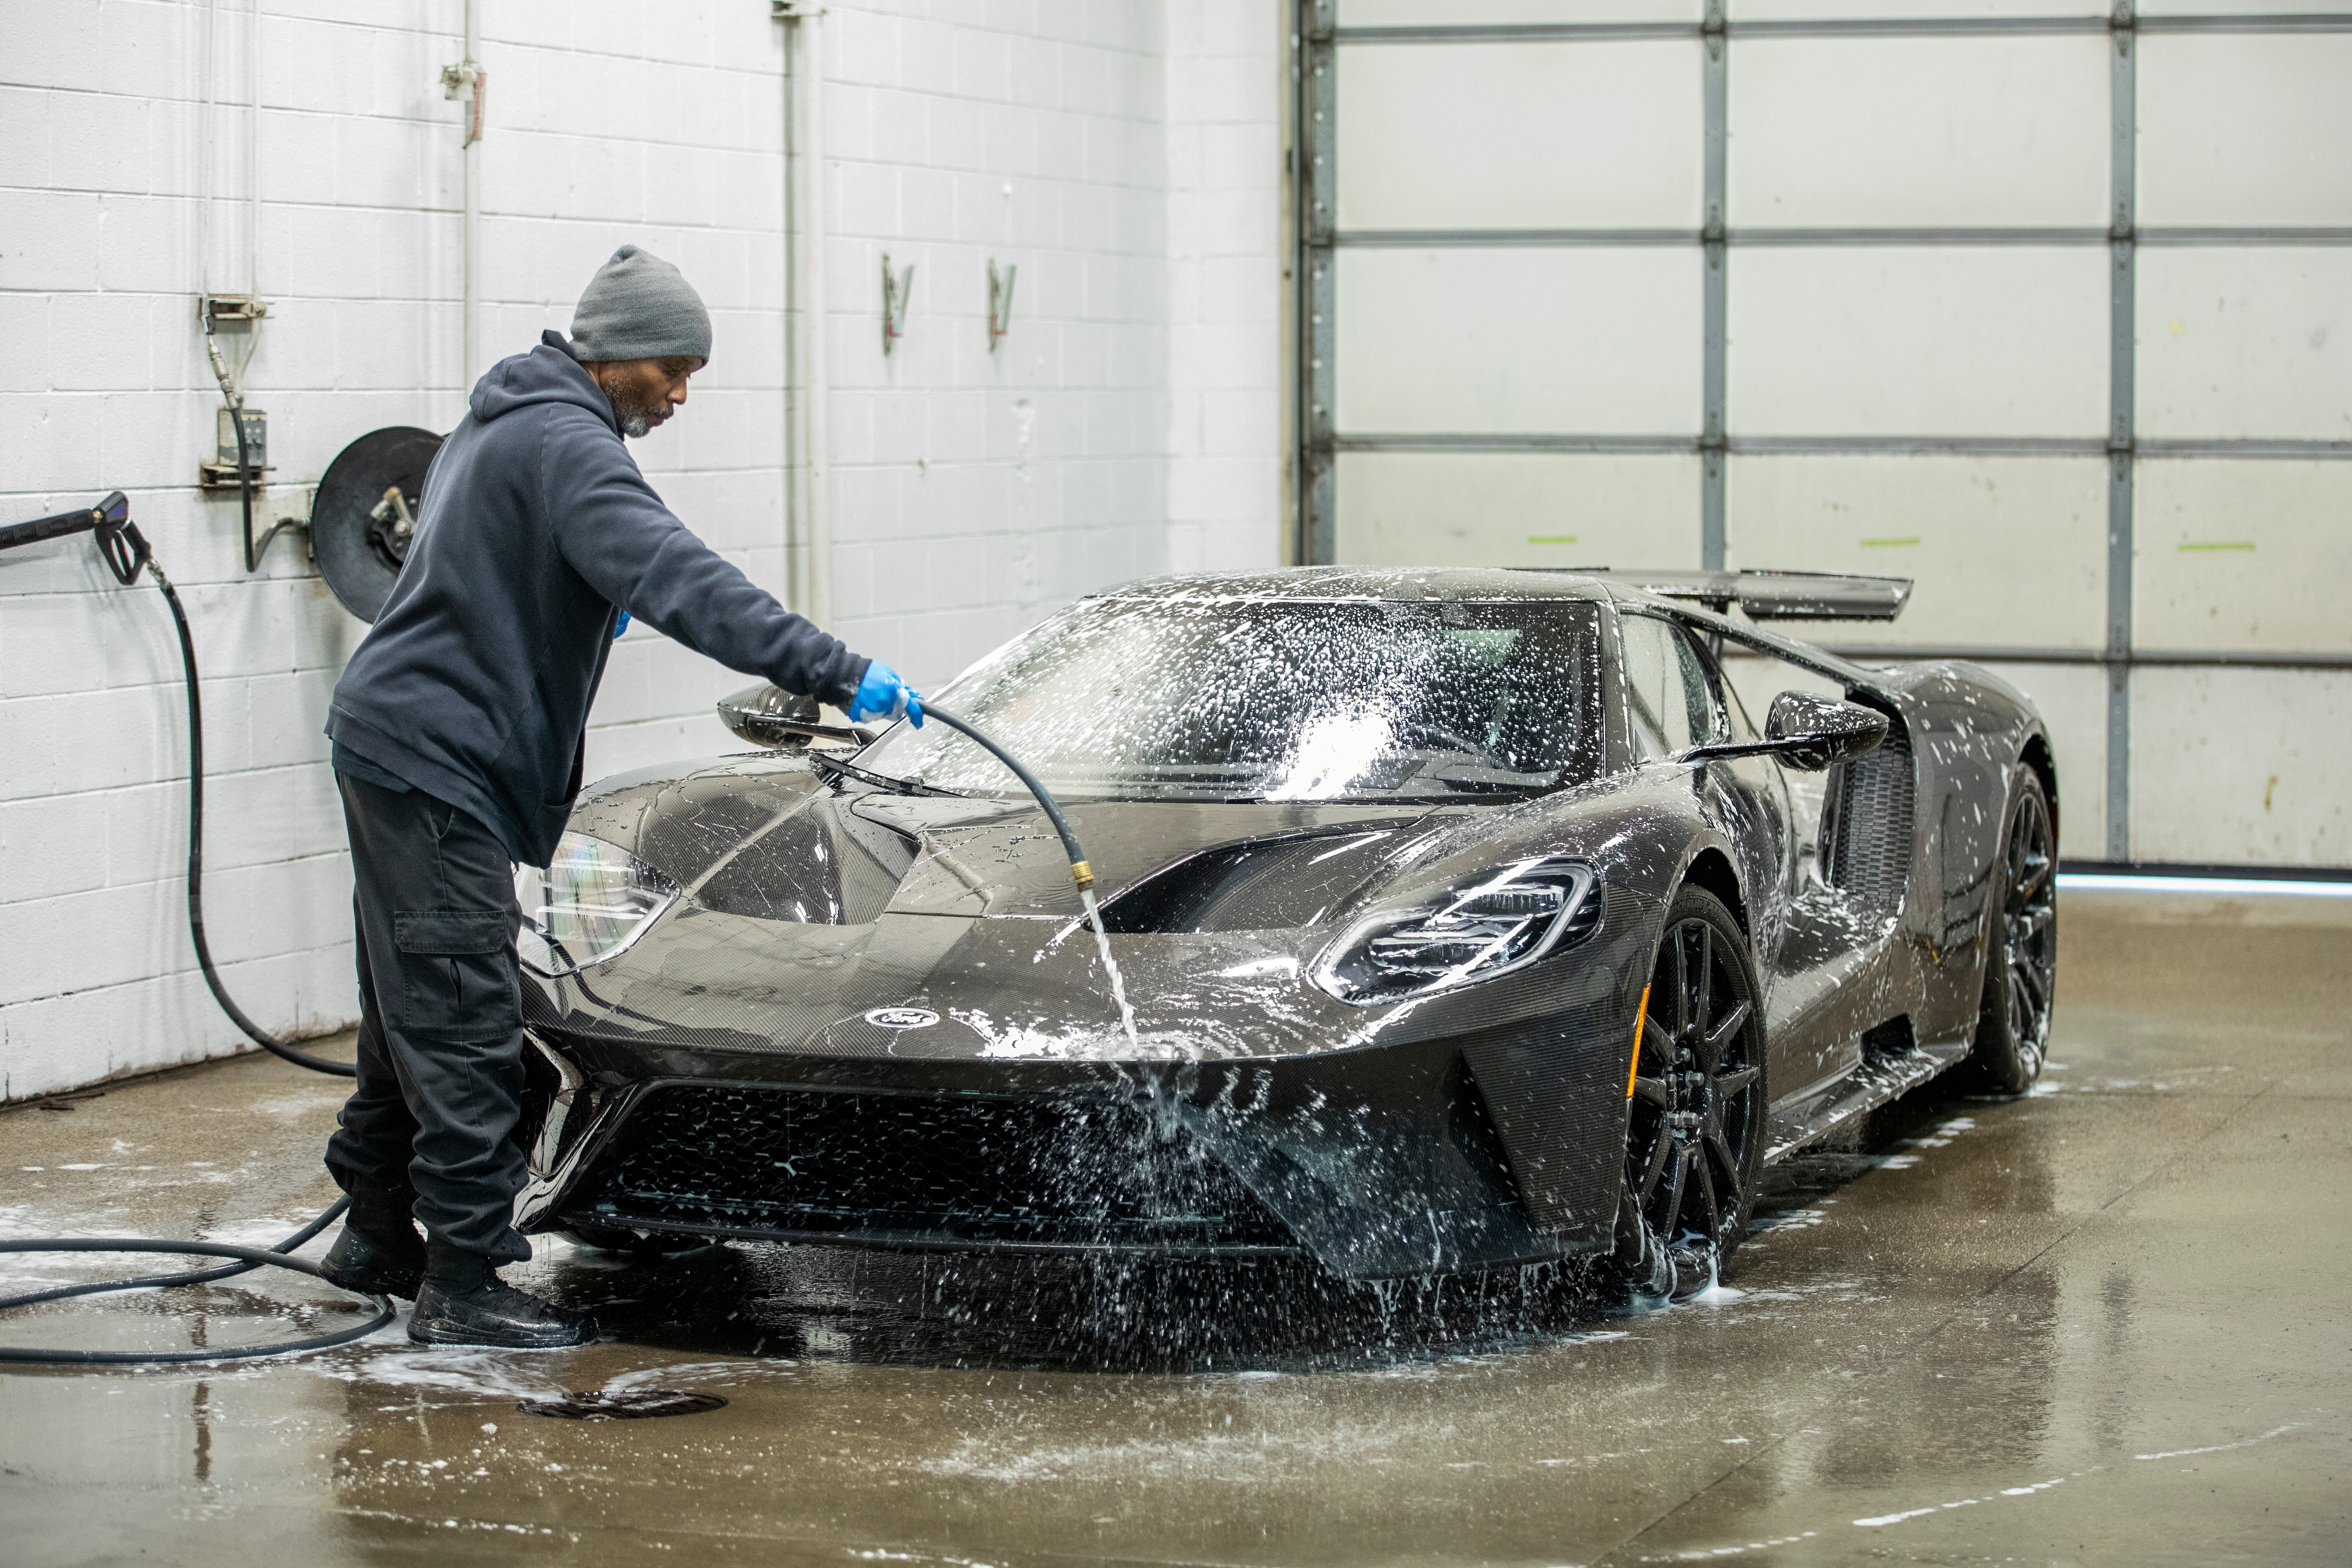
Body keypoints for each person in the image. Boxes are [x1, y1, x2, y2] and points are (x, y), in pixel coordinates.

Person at [316, 245, 921, 1347]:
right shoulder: (565, 443)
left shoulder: (502, 421)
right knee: (465, 1019)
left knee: (410, 999)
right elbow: (678, 574)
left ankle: (373, 1232)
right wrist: (830, 665)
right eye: (673, 369)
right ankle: (463, 1281)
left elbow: (503, 567)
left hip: (399, 740)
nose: (681, 394)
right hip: (436, 750)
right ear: (614, 357)